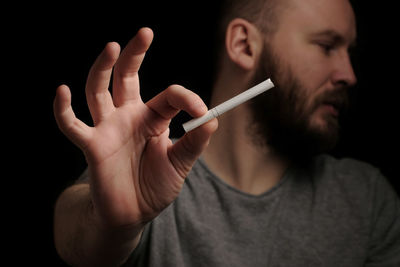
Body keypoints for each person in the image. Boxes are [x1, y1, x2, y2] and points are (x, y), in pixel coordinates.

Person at [53, 0, 400, 266]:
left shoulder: (366, 200)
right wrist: (113, 226)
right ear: (244, 45)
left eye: (349, 52)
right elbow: (76, 236)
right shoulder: (148, 171)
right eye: (327, 46)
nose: (349, 74)